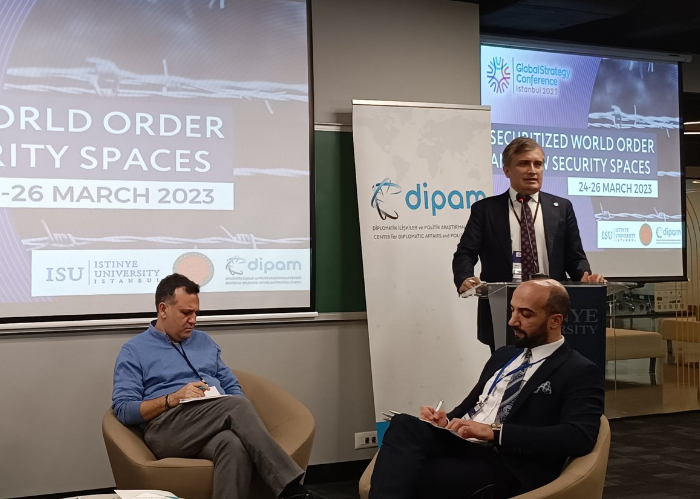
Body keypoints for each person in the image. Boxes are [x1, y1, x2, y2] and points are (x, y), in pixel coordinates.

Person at [369, 279, 604, 499]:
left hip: (507, 462)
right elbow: (473, 406)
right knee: (403, 424)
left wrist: (496, 432)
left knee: (407, 475)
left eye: (525, 314)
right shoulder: (504, 355)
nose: (512, 321)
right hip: (464, 445)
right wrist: (445, 421)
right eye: (512, 310)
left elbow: (579, 436)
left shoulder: (579, 370)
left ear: (555, 321)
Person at [112, 273, 324, 499]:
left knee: (233, 445)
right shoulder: (134, 351)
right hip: (167, 430)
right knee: (236, 406)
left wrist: (235, 414)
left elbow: (231, 385)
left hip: (211, 423)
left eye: (196, 313)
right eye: (186, 313)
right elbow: (123, 409)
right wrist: (173, 398)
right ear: (163, 309)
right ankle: (291, 489)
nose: (193, 320)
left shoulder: (204, 341)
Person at [452, 137, 604, 350]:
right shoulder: (486, 210)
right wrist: (465, 277)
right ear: (507, 170)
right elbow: (465, 253)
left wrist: (585, 276)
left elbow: (575, 256)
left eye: (538, 164)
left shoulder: (562, 208)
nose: (532, 170)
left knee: (553, 367)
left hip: (550, 306)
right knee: (507, 368)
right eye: (523, 163)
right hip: (504, 307)